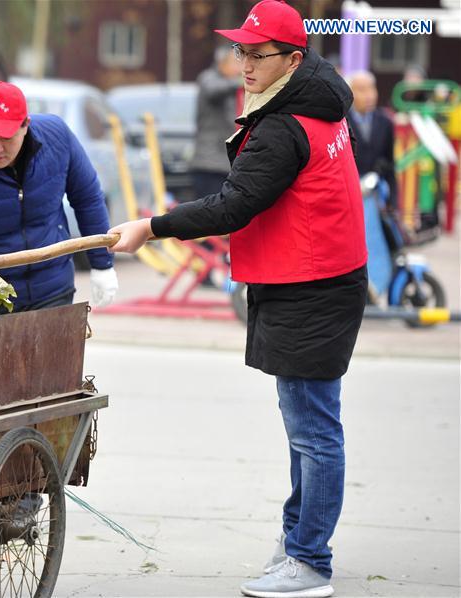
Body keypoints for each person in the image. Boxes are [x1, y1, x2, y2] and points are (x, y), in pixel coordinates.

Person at [109, 2, 367, 597]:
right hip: (314, 276)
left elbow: (233, 204)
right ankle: (299, 539)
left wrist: (152, 225)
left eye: (258, 54)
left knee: (313, 429)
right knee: (306, 423)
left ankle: (309, 561)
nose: (244, 65)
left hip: (313, 286)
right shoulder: (311, 102)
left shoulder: (286, 123)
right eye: (241, 52)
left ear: (293, 59)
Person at [0, 81, 118, 311]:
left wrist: (102, 264)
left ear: (25, 125)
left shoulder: (57, 138)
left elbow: (87, 197)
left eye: (7, 138)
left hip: (53, 287)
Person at [191, 45, 243, 200]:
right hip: (210, 163)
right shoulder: (209, 78)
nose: (240, 68)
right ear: (222, 63)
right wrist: (243, 80)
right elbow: (214, 90)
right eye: (236, 62)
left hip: (227, 163)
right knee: (208, 214)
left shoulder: (232, 86)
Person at [346, 70, 396, 207]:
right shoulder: (342, 121)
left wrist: (393, 202)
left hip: (376, 191)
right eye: (362, 90)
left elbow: (390, 163)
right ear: (350, 93)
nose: (369, 95)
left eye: (372, 88)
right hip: (349, 192)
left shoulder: (385, 122)